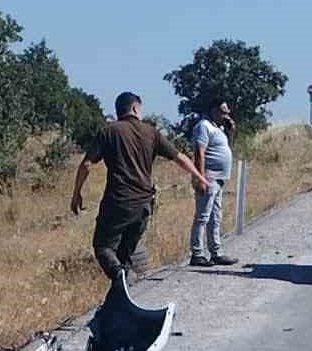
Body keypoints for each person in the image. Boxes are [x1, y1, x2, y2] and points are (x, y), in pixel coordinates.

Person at [71, 91, 208, 284]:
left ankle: (119, 277)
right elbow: (180, 158)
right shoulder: (151, 132)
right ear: (135, 108)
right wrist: (200, 177)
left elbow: (86, 164)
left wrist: (77, 194)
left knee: (103, 247)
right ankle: (118, 302)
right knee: (124, 256)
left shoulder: (109, 131)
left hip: (118, 202)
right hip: (144, 205)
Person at [189, 98, 239, 267]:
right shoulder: (204, 126)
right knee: (203, 216)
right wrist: (200, 177)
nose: (227, 115)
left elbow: (228, 149)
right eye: (224, 112)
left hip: (219, 178)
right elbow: (199, 152)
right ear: (214, 110)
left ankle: (216, 252)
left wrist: (231, 132)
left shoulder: (219, 128)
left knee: (215, 216)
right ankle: (197, 254)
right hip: (209, 176)